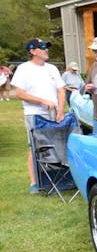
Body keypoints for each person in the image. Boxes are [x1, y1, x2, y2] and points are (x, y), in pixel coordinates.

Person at [10, 38, 66, 192]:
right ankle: (34, 183)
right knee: (35, 147)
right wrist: (42, 101)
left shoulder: (52, 69)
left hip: (54, 114)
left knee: (56, 145)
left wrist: (60, 110)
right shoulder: (23, 69)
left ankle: (55, 178)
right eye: (42, 48)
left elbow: (61, 90)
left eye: (46, 47)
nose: (46, 50)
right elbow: (20, 93)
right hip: (34, 114)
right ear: (33, 51)